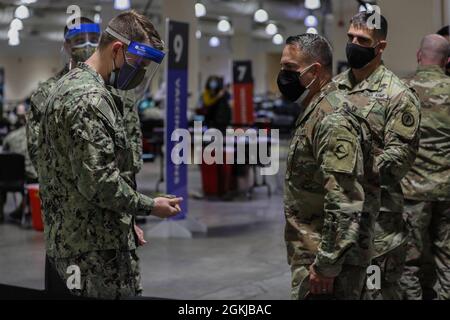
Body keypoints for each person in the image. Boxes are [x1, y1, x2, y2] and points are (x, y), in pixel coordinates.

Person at [37, 10, 183, 299]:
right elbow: (100, 184)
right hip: (92, 252)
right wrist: (150, 206)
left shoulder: (70, 85)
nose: (140, 72)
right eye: (139, 63)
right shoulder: (90, 99)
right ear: (117, 49)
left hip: (82, 239)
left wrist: (126, 224)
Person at [279, 33, 380, 300]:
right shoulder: (315, 108)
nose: (283, 76)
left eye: (291, 68)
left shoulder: (332, 119)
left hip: (329, 263)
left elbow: (344, 197)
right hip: (311, 250)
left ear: (315, 70)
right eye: (282, 67)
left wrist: (327, 264)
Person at [333, 12, 421, 299]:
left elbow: (398, 161)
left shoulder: (398, 95)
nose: (353, 44)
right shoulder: (334, 88)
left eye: (362, 40)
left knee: (376, 294)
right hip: (337, 222)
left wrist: (350, 162)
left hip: (377, 228)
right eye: (350, 38)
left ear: (380, 46)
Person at [399, 34, 450, 300]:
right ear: (447, 61)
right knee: (447, 258)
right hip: (447, 192)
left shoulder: (402, 90)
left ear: (419, 56)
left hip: (411, 194)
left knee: (409, 262)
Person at [27, 17, 101, 169]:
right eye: (80, 40)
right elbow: (37, 149)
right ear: (67, 46)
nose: (88, 45)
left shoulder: (114, 89)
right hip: (66, 189)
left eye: (94, 40)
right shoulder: (47, 92)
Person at [0, 104, 37, 223]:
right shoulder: (36, 136)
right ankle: (24, 210)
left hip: (13, 178)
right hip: (35, 176)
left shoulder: (10, 137)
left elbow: (4, 154)